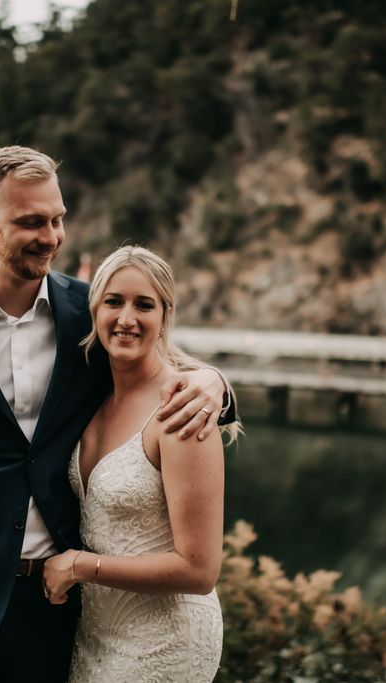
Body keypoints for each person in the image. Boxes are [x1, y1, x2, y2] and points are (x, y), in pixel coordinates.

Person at [0, 146, 234, 683]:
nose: (52, 236)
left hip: (50, 601)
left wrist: (216, 382)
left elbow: (158, 366)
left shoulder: (89, 311)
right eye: (32, 222)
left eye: (58, 219)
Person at [46, 246, 237, 681]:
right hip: (97, 632)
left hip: (166, 638)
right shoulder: (92, 394)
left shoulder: (181, 409)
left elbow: (200, 569)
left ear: (165, 315)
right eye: (113, 301)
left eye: (143, 305)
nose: (126, 318)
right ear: (94, 310)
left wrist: (78, 566)